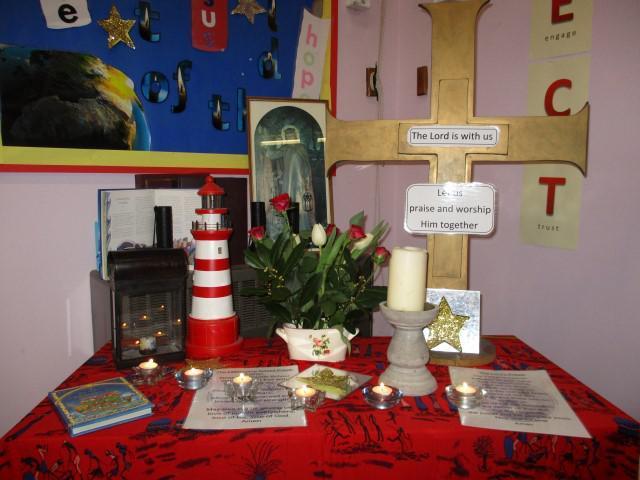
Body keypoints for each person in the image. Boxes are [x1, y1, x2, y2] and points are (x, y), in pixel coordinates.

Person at [279, 124, 315, 232]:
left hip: (300, 180)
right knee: (289, 200)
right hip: (289, 181)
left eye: (292, 135)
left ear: (296, 136)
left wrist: (307, 179)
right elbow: (273, 154)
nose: (290, 138)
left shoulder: (301, 148)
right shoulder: (284, 149)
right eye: (288, 136)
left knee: (301, 203)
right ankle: (289, 229)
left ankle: (303, 229)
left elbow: (307, 165)